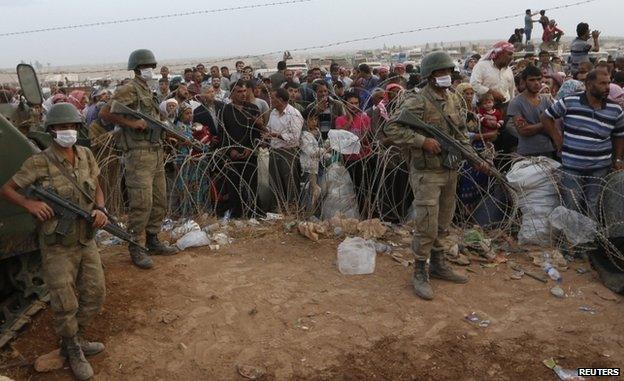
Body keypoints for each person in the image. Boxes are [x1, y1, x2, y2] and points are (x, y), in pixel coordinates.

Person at [0, 103, 107, 380]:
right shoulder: (39, 161)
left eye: (71, 126)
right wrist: (30, 204)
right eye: (61, 127)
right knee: (64, 301)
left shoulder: (85, 154)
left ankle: (76, 337)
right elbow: (8, 189)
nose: (67, 131)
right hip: (57, 245)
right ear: (51, 131)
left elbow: (96, 184)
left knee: (96, 294)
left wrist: (101, 209)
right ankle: (71, 348)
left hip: (86, 238)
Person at [384, 51, 478, 300]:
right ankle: (420, 270)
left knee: (443, 222)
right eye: (440, 72)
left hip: (449, 169)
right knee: (426, 223)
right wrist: (421, 140)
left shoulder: (454, 98)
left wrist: (475, 157)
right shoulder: (417, 100)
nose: (446, 76)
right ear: (429, 75)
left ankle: (438, 263)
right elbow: (391, 128)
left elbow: (459, 134)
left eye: (448, 71)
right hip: (427, 172)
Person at [99, 49, 178, 270]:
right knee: (142, 202)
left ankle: (152, 239)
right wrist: (132, 124)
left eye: (152, 67)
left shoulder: (147, 90)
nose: (150, 71)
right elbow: (105, 113)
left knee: (159, 199)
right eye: (146, 67)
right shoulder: (129, 89)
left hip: (155, 150)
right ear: (136, 69)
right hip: (138, 153)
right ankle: (136, 245)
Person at [542, 69, 624, 219]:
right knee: (572, 203)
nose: (607, 87)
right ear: (589, 84)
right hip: (572, 165)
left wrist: (618, 159)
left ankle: (589, 237)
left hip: (600, 166)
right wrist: (557, 138)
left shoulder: (615, 109)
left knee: (593, 204)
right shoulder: (570, 101)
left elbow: (619, 135)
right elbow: (546, 117)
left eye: (609, 83)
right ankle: (573, 240)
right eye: (602, 83)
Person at [218, 80, 263, 218]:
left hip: (250, 154)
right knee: (234, 186)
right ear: (232, 94)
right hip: (233, 155)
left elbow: (257, 133)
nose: (243, 94)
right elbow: (222, 134)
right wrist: (230, 150)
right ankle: (236, 214)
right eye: (239, 92)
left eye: (244, 91)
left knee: (252, 185)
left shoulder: (252, 109)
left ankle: (254, 213)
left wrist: (250, 148)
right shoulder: (225, 111)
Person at [265, 88, 303, 211]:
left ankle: (293, 211)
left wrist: (276, 135)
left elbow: (294, 138)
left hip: (288, 153)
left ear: (280, 100)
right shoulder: (273, 113)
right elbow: (269, 128)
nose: (271, 100)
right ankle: (278, 210)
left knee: (290, 183)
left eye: (273, 98)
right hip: (274, 150)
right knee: (275, 183)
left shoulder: (294, 114)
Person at [335, 92, 373, 216]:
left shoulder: (364, 117)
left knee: (364, 189)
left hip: (364, 158)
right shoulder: (340, 120)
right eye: (351, 103)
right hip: (349, 159)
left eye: (356, 103)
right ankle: (359, 214)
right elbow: (340, 137)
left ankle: (366, 215)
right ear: (345, 104)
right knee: (355, 189)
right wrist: (350, 120)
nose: (354, 106)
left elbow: (365, 138)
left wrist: (353, 140)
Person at [507, 65, 556, 158]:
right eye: (532, 80)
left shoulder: (546, 100)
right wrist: (546, 123)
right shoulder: (516, 102)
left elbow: (555, 124)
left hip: (547, 150)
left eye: (538, 79)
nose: (536, 83)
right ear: (524, 82)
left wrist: (536, 126)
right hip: (527, 152)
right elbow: (524, 130)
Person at [470, 41, 516, 106]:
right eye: (509, 54)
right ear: (500, 54)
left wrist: (512, 105)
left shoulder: (508, 70)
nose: (511, 58)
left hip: (505, 106)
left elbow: (511, 89)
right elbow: (474, 84)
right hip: (485, 107)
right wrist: (491, 93)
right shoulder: (482, 66)